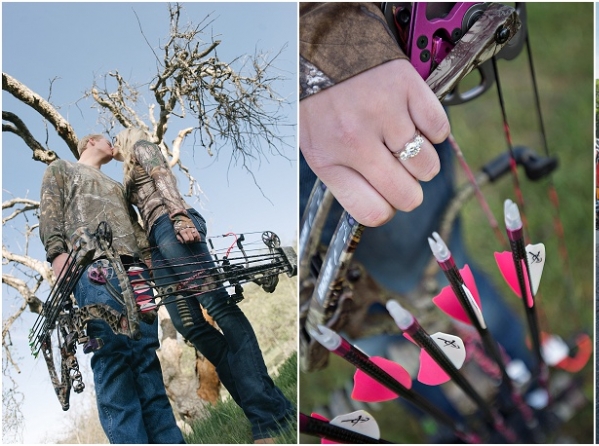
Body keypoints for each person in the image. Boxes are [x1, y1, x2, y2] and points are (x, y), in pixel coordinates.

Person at [300, 3, 538, 437]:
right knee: (356, 317)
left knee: (428, 275)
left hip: (349, 84)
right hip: (327, 96)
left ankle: (522, 393)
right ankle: (461, 423)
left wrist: (331, 40)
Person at [112, 127, 295, 444]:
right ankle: (273, 407)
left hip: (172, 224)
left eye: (116, 137)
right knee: (190, 326)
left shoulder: (143, 147)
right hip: (157, 242)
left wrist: (180, 216)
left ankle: (266, 418)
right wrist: (151, 262)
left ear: (127, 138)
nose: (112, 142)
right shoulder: (125, 176)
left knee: (218, 307)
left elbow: (162, 175)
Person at [39, 134, 185, 444]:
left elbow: (134, 229)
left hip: (135, 270)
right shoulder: (61, 168)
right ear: (90, 141)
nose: (114, 144)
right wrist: (57, 255)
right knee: (111, 355)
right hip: (92, 267)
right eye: (108, 139)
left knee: (146, 357)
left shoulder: (117, 187)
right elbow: (50, 212)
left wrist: (149, 262)